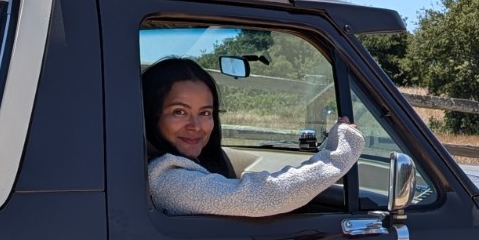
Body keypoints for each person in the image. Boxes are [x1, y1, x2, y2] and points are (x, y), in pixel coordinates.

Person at [142, 57, 366, 217]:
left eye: (205, 113)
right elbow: (259, 197)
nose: (196, 126)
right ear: (150, 115)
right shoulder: (166, 179)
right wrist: (340, 153)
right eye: (179, 112)